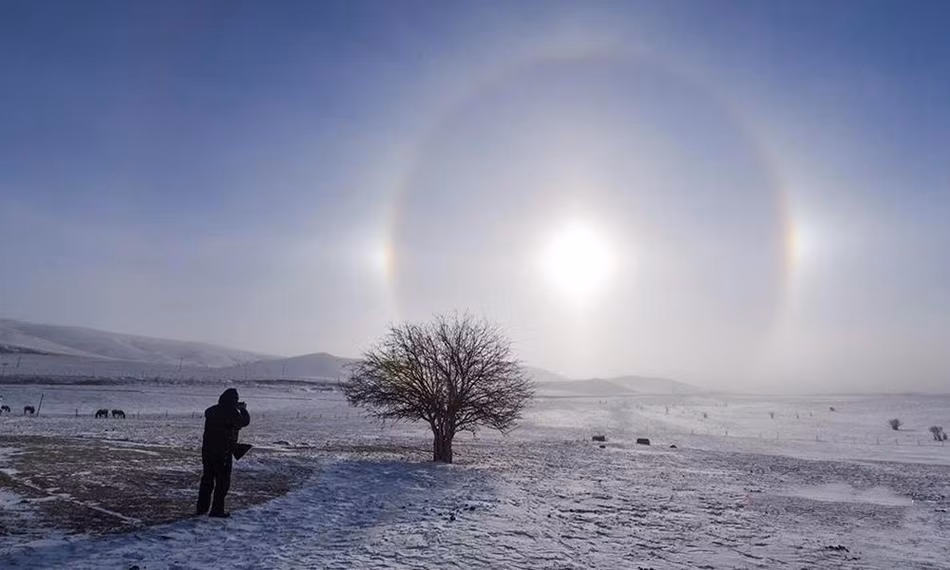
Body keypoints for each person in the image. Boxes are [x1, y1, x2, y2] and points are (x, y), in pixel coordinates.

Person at [196, 388, 250, 517]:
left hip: (208, 450)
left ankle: (202, 508)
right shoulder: (232, 413)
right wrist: (243, 409)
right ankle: (217, 510)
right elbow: (244, 422)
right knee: (222, 482)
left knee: (207, 479)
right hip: (223, 452)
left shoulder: (212, 411)